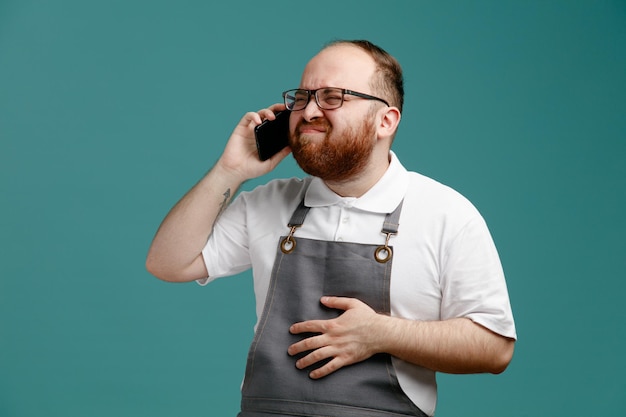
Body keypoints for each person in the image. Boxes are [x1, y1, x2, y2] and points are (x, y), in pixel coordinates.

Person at [146, 39, 516, 417]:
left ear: (385, 121)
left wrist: (381, 334)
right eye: (303, 96)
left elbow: (495, 347)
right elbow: (168, 263)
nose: (308, 111)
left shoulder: (446, 214)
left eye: (333, 97)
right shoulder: (268, 202)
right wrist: (231, 171)